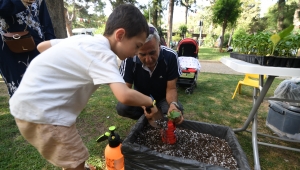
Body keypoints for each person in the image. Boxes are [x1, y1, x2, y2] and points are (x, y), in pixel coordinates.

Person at [9, 4, 158, 170]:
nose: (135, 53)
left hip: (26, 106)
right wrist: (149, 101)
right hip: (46, 114)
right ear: (120, 35)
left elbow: (42, 46)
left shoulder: (84, 39)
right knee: (76, 159)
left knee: (71, 158)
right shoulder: (104, 54)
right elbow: (124, 95)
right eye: (137, 46)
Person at [117, 24, 184, 125]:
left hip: (162, 98)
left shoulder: (171, 56)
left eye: (152, 52)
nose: (148, 59)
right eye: (142, 54)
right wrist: (146, 105)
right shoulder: (129, 58)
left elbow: (171, 88)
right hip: (140, 97)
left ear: (159, 46)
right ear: (136, 50)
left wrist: (173, 105)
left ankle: (156, 117)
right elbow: (126, 90)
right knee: (122, 107)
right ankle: (147, 119)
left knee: (177, 110)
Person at [0, 0, 56, 97]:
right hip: (8, 47)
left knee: (47, 86)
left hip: (37, 43)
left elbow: (45, 20)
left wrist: (51, 43)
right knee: (20, 90)